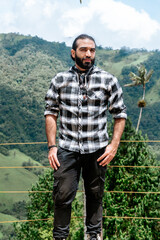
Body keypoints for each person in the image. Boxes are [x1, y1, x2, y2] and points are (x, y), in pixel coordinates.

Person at [44, 34, 127, 240]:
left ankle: (93, 236)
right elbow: (50, 112)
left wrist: (113, 146)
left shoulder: (108, 80)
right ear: (73, 53)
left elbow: (120, 114)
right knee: (62, 196)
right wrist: (52, 147)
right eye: (83, 50)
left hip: (98, 150)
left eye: (92, 50)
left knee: (95, 196)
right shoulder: (60, 80)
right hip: (67, 149)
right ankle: (60, 237)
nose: (88, 54)